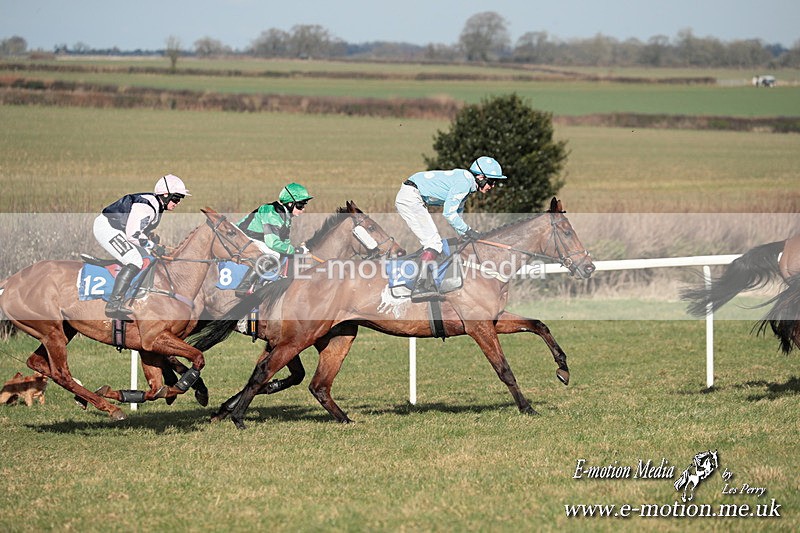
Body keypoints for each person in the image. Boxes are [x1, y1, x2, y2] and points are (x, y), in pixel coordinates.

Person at [395, 156, 507, 300]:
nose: (492, 186)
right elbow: (448, 213)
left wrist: (468, 234)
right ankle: (418, 286)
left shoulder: (467, 185)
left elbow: (457, 218)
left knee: (435, 243)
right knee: (433, 243)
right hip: (411, 197)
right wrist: (468, 231)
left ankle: (425, 281)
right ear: (480, 177)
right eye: (491, 181)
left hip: (413, 196)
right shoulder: (465, 182)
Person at [93, 174, 190, 319]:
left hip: (120, 230)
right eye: (175, 198)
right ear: (165, 195)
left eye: (179, 199)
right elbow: (133, 235)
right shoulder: (147, 207)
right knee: (135, 260)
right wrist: (153, 246)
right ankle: (113, 304)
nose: (178, 202)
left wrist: (152, 243)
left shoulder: (157, 206)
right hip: (107, 228)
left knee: (148, 257)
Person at [234, 182, 313, 296]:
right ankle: (245, 285)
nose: (303, 209)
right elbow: (273, 243)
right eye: (300, 205)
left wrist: (293, 250)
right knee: (273, 253)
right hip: (242, 237)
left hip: (255, 240)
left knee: (283, 253)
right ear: (290, 203)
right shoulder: (272, 212)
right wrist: (297, 251)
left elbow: (284, 241)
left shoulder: (286, 216)